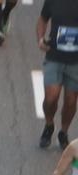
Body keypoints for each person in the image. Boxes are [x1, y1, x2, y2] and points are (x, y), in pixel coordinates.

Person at [39, 0, 78, 148]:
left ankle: (64, 132)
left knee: (70, 101)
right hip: (54, 56)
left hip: (75, 62)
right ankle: (49, 126)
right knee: (51, 98)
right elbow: (42, 19)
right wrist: (40, 38)